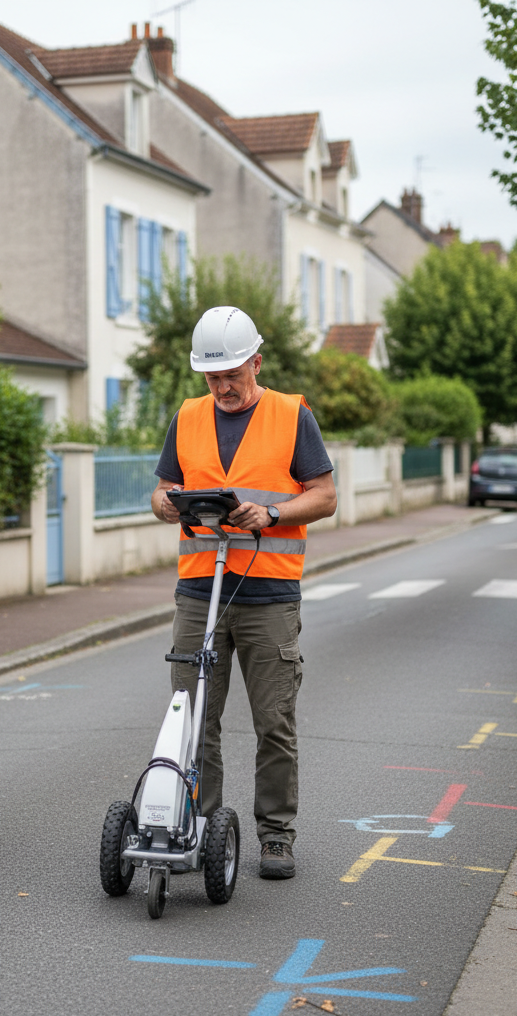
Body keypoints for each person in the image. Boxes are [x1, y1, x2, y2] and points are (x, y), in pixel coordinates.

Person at [150, 306, 337, 879]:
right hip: (198, 593)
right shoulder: (186, 417)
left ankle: (276, 836)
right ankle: (198, 830)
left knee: (273, 722)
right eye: (212, 378)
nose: (223, 386)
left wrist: (274, 512)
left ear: (256, 362)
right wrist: (169, 503)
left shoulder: (291, 415)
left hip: (269, 597)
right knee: (193, 721)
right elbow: (161, 492)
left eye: (232, 374)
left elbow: (325, 495)